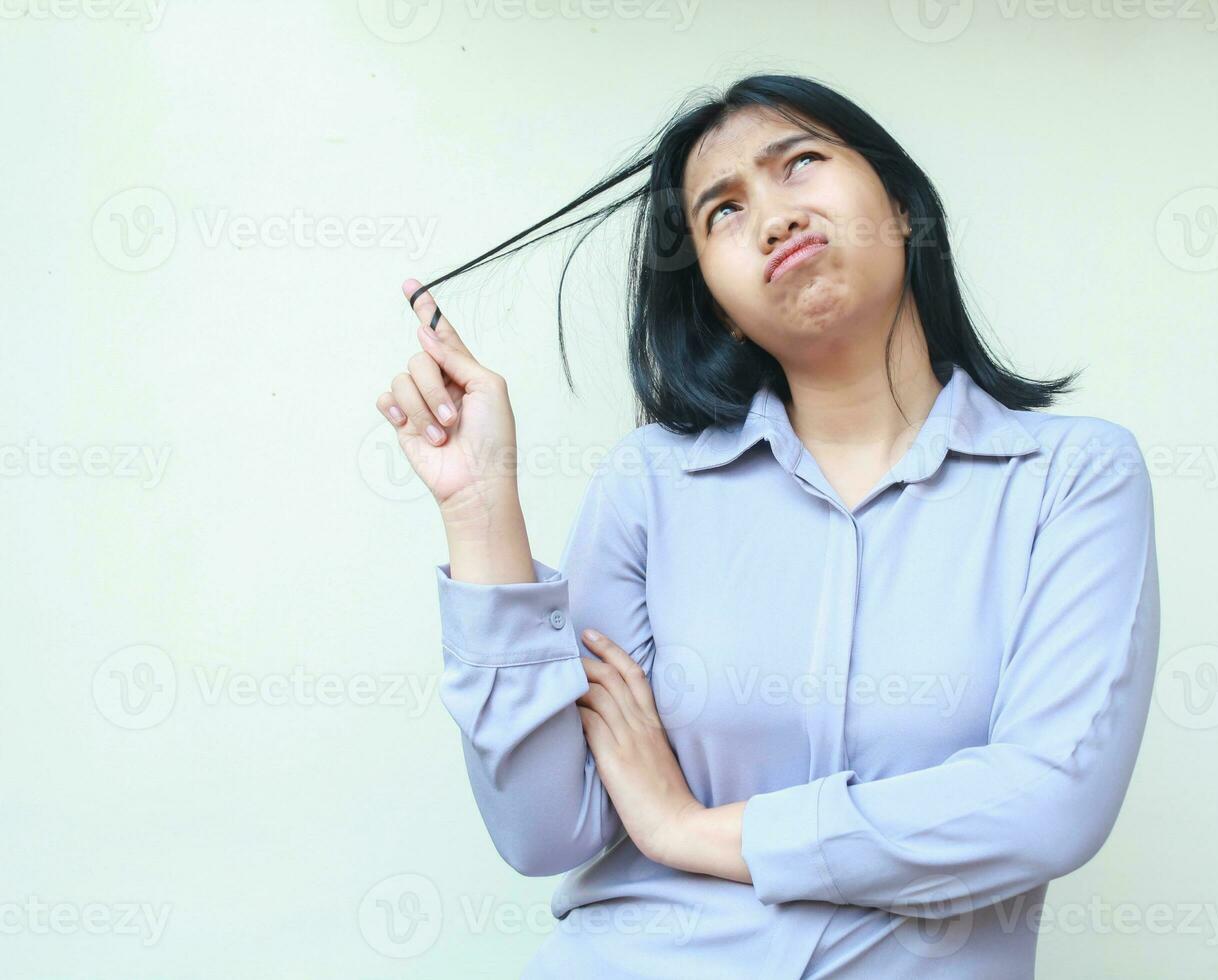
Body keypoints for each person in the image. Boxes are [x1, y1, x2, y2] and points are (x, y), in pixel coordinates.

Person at [375, 73, 1161, 979]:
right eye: (723, 213)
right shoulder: (651, 484)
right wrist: (480, 513)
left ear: (902, 207)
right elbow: (547, 829)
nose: (776, 219)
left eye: (802, 165)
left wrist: (687, 830)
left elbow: (1046, 804)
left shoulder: (1074, 478)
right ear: (717, 302)